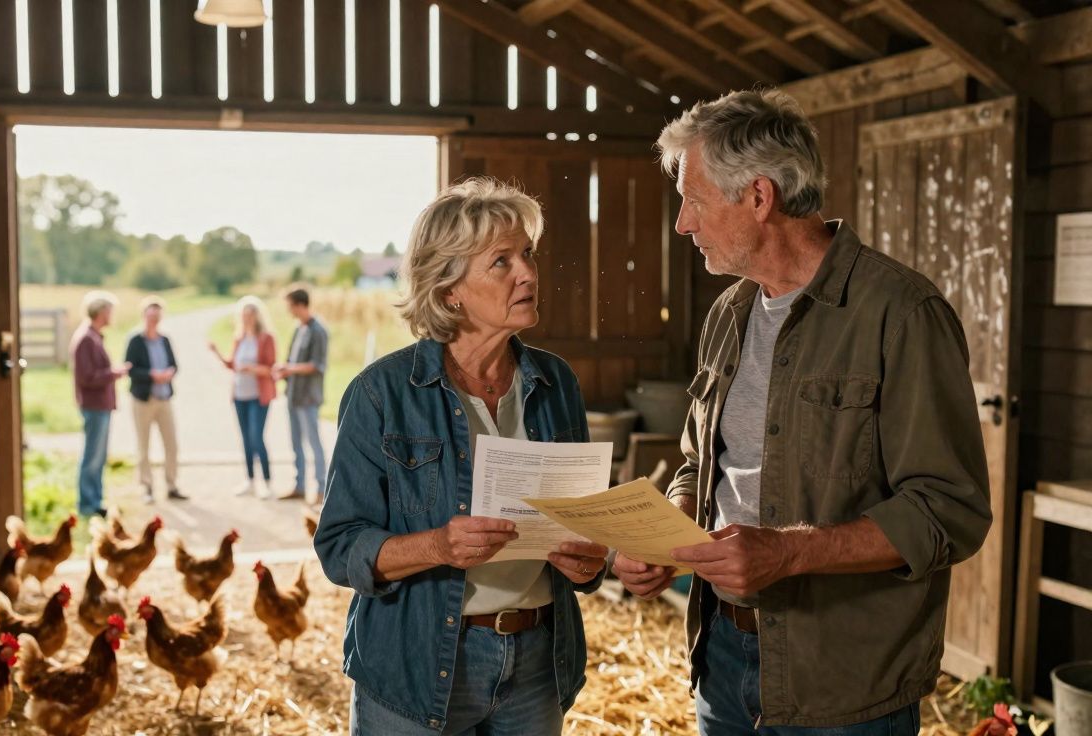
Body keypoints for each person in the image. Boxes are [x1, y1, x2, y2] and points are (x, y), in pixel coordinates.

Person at [610, 89, 993, 734]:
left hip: (844, 684)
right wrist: (667, 534)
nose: (683, 223)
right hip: (723, 661)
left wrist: (788, 554)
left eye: (694, 201)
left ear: (760, 198)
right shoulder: (727, 315)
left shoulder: (900, 315)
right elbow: (701, 465)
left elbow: (949, 510)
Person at [314, 178, 610, 735]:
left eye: (527, 254)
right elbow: (339, 548)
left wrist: (590, 560)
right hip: (418, 663)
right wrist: (439, 546)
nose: (527, 273)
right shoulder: (382, 394)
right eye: (501, 262)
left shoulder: (556, 382)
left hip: (536, 667)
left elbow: (584, 524)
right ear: (450, 290)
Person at [209, 296, 277, 498]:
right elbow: (232, 365)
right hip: (240, 396)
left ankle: (266, 482)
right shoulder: (239, 338)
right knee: (246, 439)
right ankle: (249, 480)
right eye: (244, 315)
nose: (247, 318)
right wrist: (217, 353)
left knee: (257, 438)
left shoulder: (266, 338)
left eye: (250, 315)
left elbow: (271, 368)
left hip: (258, 396)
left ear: (257, 316)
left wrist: (252, 369)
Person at [70, 291, 131, 518]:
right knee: (92, 456)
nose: (112, 315)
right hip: (94, 405)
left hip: (100, 405)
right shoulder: (86, 339)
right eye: (110, 310)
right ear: (101, 312)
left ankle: (95, 500)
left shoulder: (94, 336)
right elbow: (87, 376)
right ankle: (87, 503)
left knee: (99, 455)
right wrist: (114, 373)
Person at [124, 296, 186, 504]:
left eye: (157, 316)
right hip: (143, 399)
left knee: (172, 443)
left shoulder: (165, 340)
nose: (154, 320)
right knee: (144, 445)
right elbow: (130, 369)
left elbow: (174, 364)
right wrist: (152, 375)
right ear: (144, 316)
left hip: (164, 397)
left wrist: (169, 373)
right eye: (151, 316)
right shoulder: (135, 341)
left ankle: (171, 484)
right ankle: (147, 486)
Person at [272, 287, 329, 501]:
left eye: (290, 305)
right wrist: (283, 371)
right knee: (296, 443)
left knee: (314, 443)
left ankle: (322, 488)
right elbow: (292, 361)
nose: (288, 310)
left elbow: (317, 365)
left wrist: (290, 368)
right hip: (293, 395)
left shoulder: (319, 331)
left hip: (308, 397)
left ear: (299, 304)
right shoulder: (299, 329)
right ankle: (300, 486)